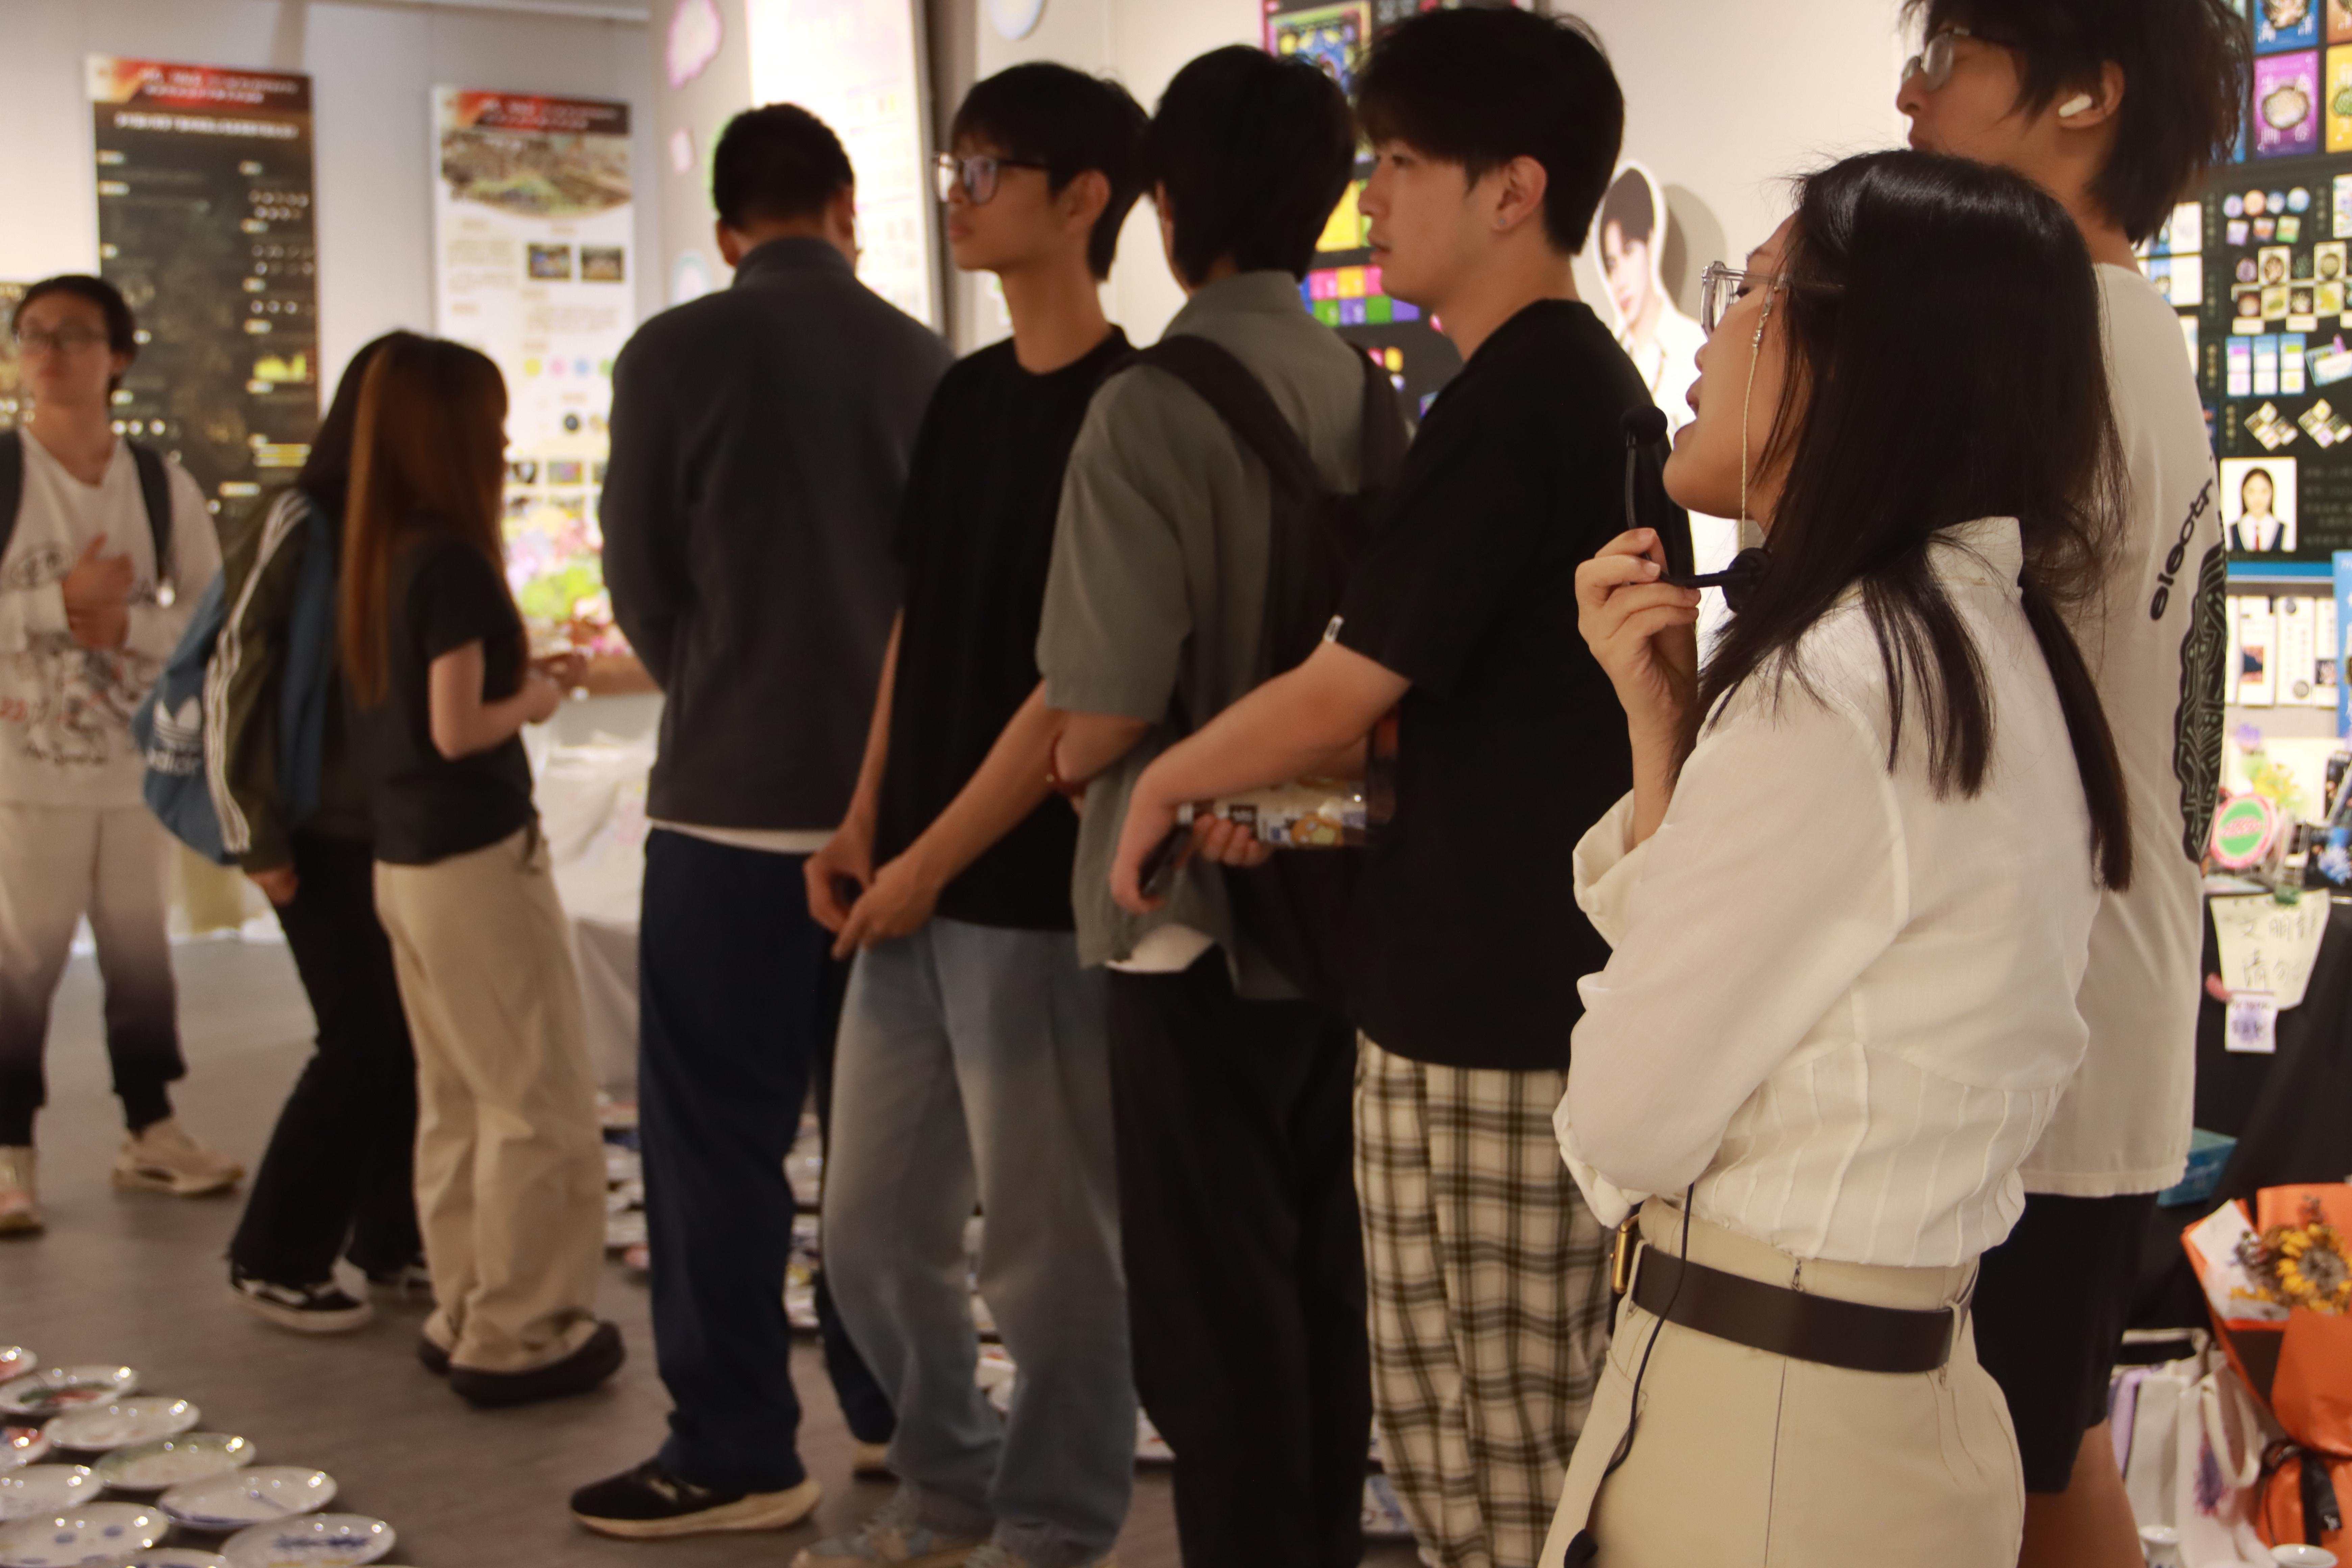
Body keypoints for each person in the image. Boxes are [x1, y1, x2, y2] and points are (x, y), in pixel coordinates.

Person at [1104, 15, 1658, 1567]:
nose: (1374, 197)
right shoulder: (1528, 390)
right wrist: (1287, 811)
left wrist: (1164, 782)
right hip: (1479, 990)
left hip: (1495, 1019)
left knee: (1503, 1463)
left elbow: (1355, 686)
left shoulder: (1527, 395)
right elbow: (1479, 741)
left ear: (1512, 189)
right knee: (1458, 1443)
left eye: (1405, 162)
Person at [1541, 149, 2132, 1568]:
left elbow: (1618, 1117)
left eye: (1749, 291)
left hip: (1765, 1434)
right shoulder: (1970, 646)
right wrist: (1665, 736)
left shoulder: (1839, 683)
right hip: (1875, 1403)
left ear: (1864, 358)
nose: (1709, 334)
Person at [573, 103, 950, 1539]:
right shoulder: (925, 358)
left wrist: (715, 683)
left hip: (727, 815)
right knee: (886, 1148)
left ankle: (735, 1443)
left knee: (714, 1145)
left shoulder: (670, 353)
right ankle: (890, 1404)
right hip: (897, 820)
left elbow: (639, 574)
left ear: (727, 230)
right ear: (847, 208)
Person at [1898, 7, 2241, 1564]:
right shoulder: (2121, 326)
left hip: (2039, 1021)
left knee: (2015, 1464)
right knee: (2040, 1446)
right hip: (2091, 1002)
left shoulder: (2053, 344)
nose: (1914, 92)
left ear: (2088, 96)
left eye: (1954, 57)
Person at [793, 63, 1148, 1568]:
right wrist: (864, 818)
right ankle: (945, 1485)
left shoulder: (1129, 409)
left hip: (1034, 889)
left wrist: (930, 856)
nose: (957, 194)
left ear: (1083, 199)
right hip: (914, 882)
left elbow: (1081, 685)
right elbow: (917, 623)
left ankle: (1056, 1517)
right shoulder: (962, 394)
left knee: (1049, 1246)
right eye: (953, 166)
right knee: (867, 1229)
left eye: (987, 168)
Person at [1036, 45, 1377, 1568]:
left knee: (1209, 1321)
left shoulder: (1143, 409)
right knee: (1319, 1290)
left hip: (1177, 898)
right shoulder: (1368, 394)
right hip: (1332, 891)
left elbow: (1104, 707)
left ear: (1167, 208)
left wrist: (1069, 765)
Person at [341, 330, 620, 1409]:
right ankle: (524, 1332)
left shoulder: (378, 553)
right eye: (494, 425)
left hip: (404, 862)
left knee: (456, 1097)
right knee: (534, 1098)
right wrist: (537, 698)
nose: (504, 445)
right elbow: (459, 729)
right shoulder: (453, 559)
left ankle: (465, 1307)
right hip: (472, 856)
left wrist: (518, 675)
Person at [0, 274, 234, 1235]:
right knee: (21, 963)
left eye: (72, 335)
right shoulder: (7, 472)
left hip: (134, 773)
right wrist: (56, 607)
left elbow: (215, 618)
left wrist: (127, 624)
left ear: (118, 357)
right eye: (32, 334)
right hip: (22, 774)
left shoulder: (157, 483)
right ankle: (10, 1150)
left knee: (143, 958)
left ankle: (152, 1126)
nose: (48, 352)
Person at [219, 334, 425, 1329]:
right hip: (313, 827)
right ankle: (273, 1252)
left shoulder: (412, 528)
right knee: (360, 1038)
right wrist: (254, 835)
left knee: (406, 1035)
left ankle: (391, 1235)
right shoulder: (300, 519)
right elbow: (235, 670)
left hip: (395, 827)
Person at [1598, 164, 1707, 435]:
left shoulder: (1694, 347)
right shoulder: (1606, 361)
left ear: (1651, 243)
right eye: (1612, 264)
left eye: (1628, 251)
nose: (1620, 279)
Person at [2234, 467, 2288, 552]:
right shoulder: (2231, 530)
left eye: (2264, 491)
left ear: (2272, 493)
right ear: (2243, 493)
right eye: (2251, 491)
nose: (2257, 498)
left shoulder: (2285, 530)